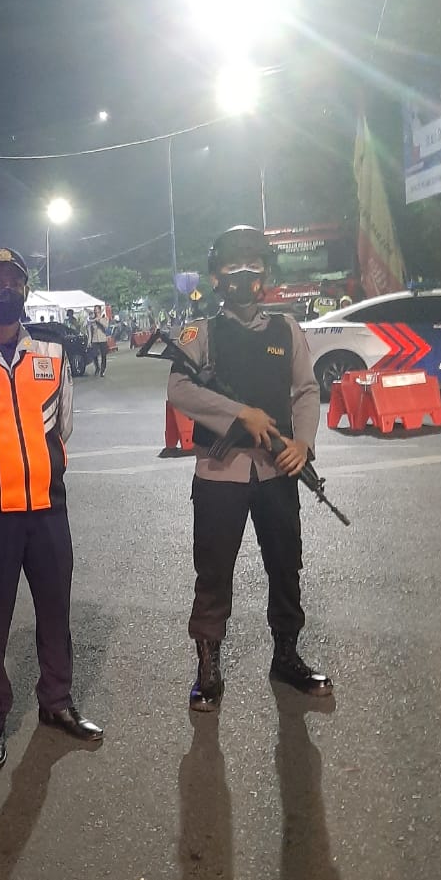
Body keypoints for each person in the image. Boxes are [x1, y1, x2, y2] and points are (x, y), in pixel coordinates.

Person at [0, 247, 103, 770]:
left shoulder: (52, 349)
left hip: (48, 508)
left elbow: (64, 423)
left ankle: (57, 701)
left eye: (14, 281)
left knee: (55, 612)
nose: (6, 290)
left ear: (26, 289)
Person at [166, 226, 332, 714]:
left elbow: (306, 391)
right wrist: (241, 415)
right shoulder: (201, 333)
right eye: (232, 266)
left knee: (285, 565)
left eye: (253, 265)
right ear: (217, 277)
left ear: (265, 274)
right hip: (221, 474)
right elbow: (180, 390)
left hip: (278, 472)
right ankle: (207, 667)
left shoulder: (287, 329)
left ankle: (287, 655)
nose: (243, 275)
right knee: (213, 570)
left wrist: (303, 443)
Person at [87, 305, 109, 375]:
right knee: (94, 354)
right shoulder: (92, 320)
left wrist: (99, 320)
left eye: (97, 309)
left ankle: (103, 370)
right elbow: (90, 331)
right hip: (95, 339)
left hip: (102, 339)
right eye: (94, 309)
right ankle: (97, 367)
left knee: (103, 355)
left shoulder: (104, 318)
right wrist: (89, 341)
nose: (95, 311)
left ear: (100, 310)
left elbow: (106, 326)